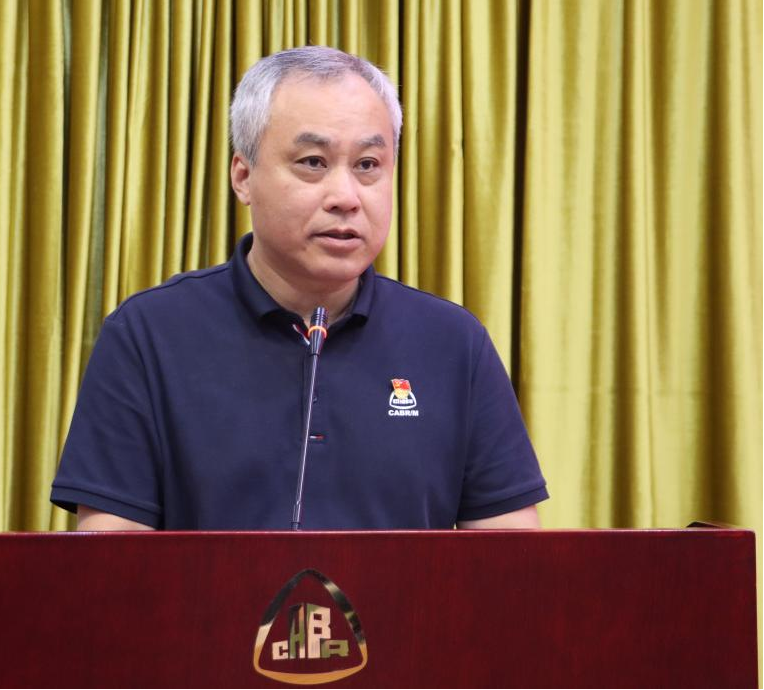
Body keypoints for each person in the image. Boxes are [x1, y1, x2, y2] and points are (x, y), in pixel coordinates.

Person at [50, 46, 548, 531]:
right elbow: (111, 561)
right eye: (313, 162)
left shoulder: (453, 343)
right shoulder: (147, 335)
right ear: (243, 177)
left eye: (368, 165)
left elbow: (513, 560)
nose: (345, 197)